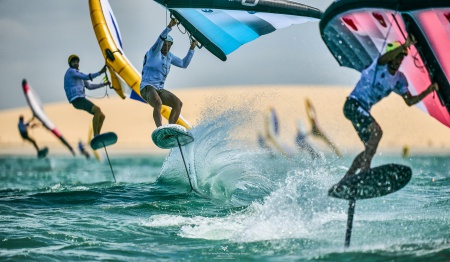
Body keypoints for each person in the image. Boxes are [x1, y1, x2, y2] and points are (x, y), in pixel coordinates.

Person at [342, 35, 439, 178]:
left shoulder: (399, 79)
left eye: (402, 58)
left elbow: (409, 101)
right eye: (398, 57)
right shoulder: (378, 66)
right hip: (353, 104)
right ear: (391, 56)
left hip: (361, 109)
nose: (399, 61)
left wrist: (429, 90)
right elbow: (384, 58)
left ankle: (348, 178)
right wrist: (405, 45)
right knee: (377, 133)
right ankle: (365, 172)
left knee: (370, 148)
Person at [140, 18, 198, 128]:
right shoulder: (154, 52)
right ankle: (160, 129)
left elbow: (183, 64)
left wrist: (192, 48)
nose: (166, 47)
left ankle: (170, 129)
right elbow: (160, 39)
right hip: (146, 88)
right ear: (161, 45)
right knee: (158, 103)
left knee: (178, 103)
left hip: (159, 89)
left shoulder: (170, 57)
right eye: (164, 45)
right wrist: (169, 26)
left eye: (169, 45)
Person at [64, 54, 110, 137]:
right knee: (97, 110)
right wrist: (100, 72)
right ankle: (96, 135)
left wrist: (104, 84)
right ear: (70, 64)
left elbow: (90, 86)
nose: (75, 63)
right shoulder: (71, 72)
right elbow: (86, 77)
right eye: (73, 62)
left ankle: (97, 136)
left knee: (102, 116)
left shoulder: (78, 75)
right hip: (77, 100)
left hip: (80, 100)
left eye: (77, 61)